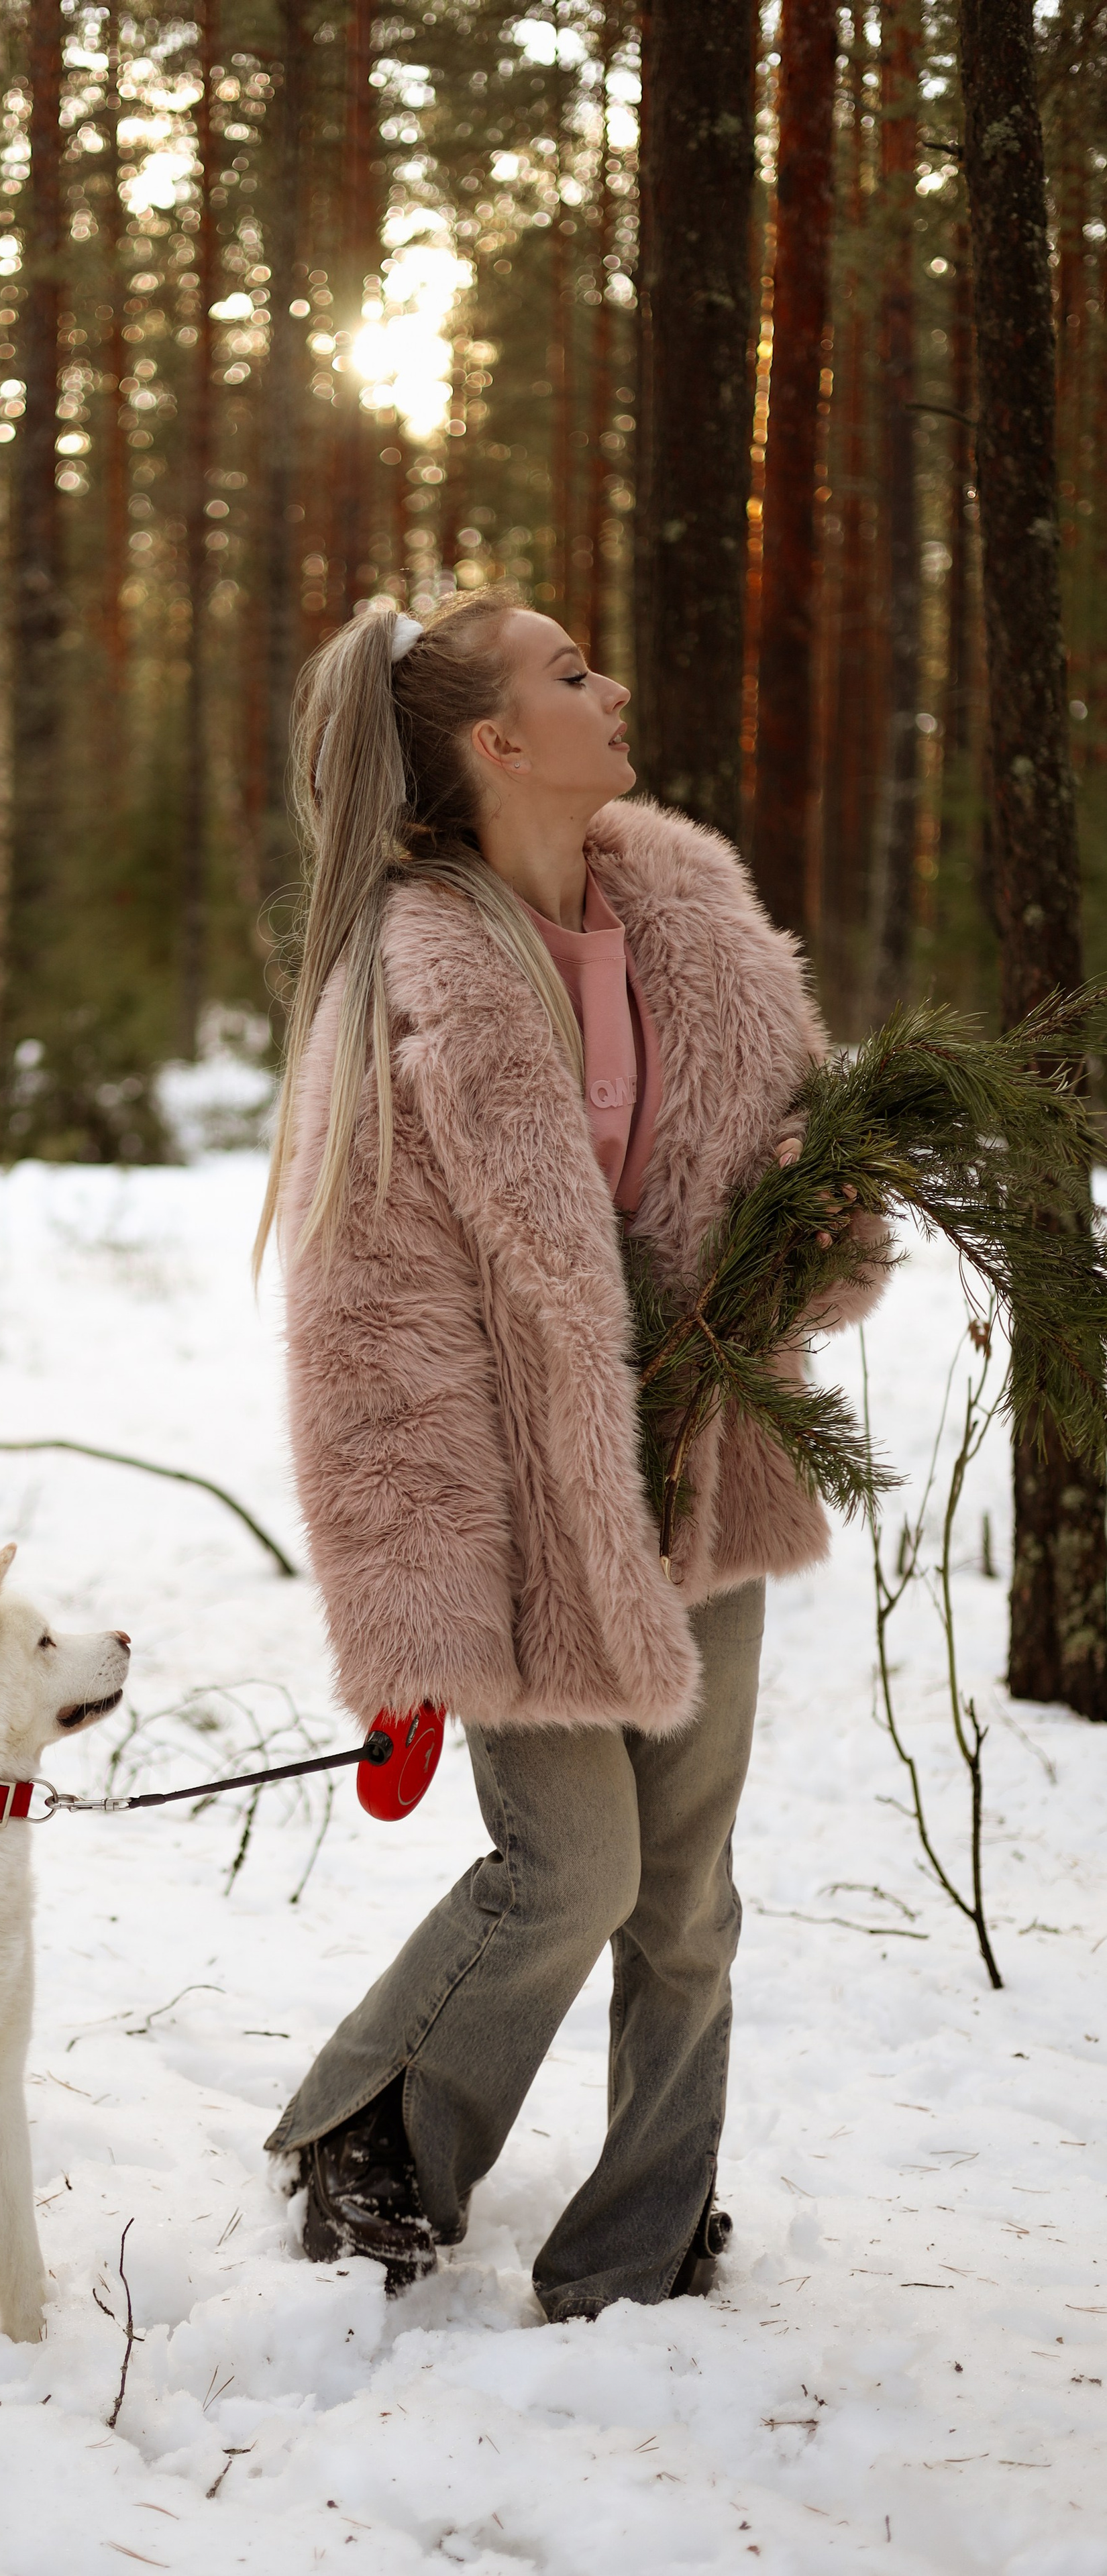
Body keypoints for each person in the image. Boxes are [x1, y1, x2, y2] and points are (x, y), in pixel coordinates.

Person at [254, 588, 886, 2322]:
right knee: (576, 1868)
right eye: (569, 672)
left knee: (685, 1900)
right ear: (493, 743)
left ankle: (644, 2236)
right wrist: (415, 1620)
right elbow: (371, 1346)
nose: (609, 689)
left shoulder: (695, 921)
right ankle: (368, 2130)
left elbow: (806, 1189)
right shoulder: (401, 991)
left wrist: (826, 1211)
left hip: (703, 1484)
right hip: (525, 1526)